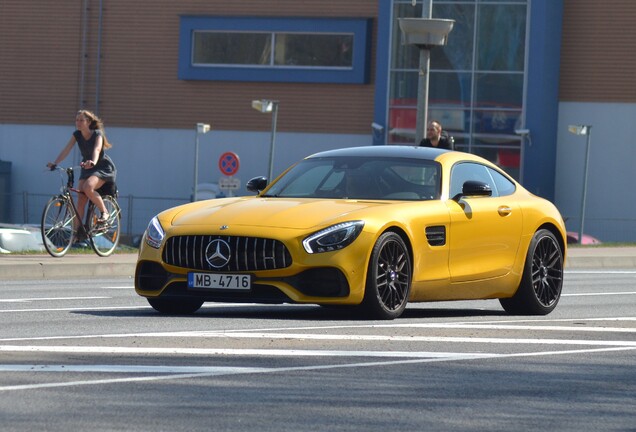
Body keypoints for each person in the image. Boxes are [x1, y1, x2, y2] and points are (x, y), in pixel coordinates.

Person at [47, 110, 117, 225]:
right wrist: (55, 163)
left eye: (81, 120)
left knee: (88, 187)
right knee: (80, 200)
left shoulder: (97, 134)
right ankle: (76, 234)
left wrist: (93, 162)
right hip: (87, 168)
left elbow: (97, 149)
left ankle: (105, 212)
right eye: (77, 120)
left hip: (101, 167)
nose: (78, 123)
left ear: (88, 122)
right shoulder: (77, 135)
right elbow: (67, 149)